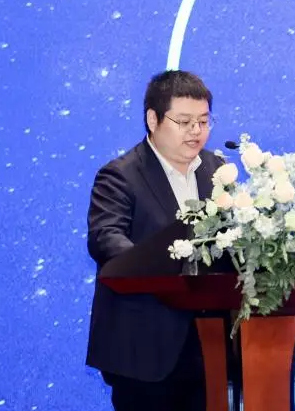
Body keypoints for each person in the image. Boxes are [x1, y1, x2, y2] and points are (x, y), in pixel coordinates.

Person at [85, 70, 222, 411]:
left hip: (211, 346)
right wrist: (159, 263)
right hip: (144, 346)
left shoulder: (216, 169)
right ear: (153, 119)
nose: (196, 131)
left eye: (203, 121)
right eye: (184, 122)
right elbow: (105, 237)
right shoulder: (120, 175)